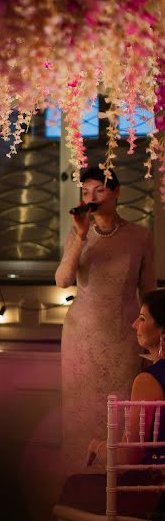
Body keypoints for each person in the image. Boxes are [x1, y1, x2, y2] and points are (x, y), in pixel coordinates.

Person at [55, 166, 155, 476]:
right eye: (86, 192)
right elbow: (62, 280)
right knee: (79, 417)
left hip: (124, 336)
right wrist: (81, 236)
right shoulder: (77, 234)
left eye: (99, 190)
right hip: (81, 337)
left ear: (116, 192)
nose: (92, 197)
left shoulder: (140, 236)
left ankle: (116, 494)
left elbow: (149, 293)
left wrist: (153, 345)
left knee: (120, 415)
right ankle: (77, 485)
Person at [58, 288, 165, 518]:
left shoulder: (150, 380)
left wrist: (96, 445)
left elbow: (129, 457)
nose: (134, 325)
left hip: (152, 494)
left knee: (72, 485)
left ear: (162, 331)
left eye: (143, 318)